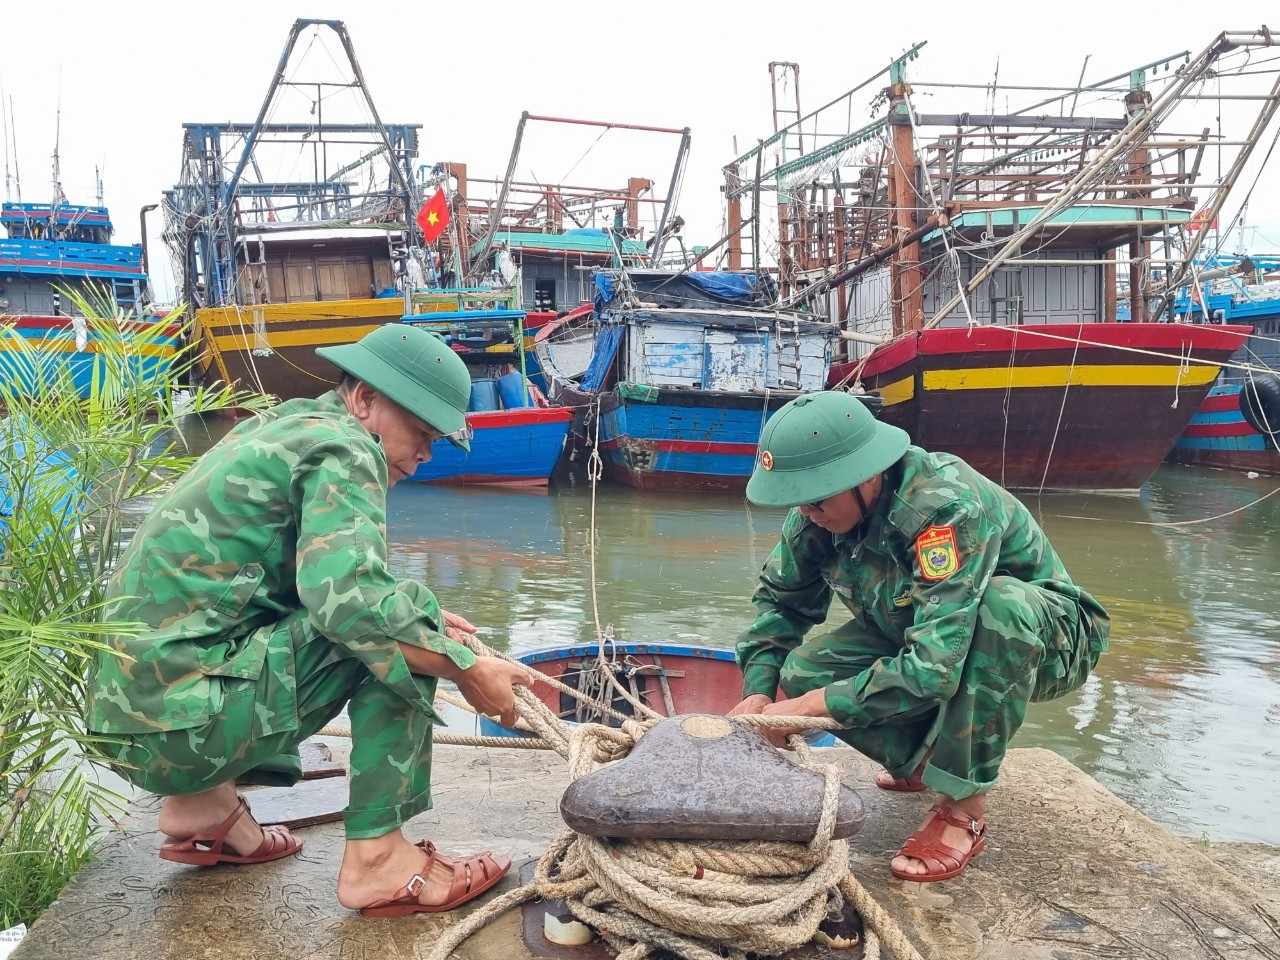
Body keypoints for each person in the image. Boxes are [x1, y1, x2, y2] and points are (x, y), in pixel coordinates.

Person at [87, 324, 532, 916]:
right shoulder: (348, 448)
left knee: (397, 611)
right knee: (406, 619)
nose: (424, 456)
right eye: (421, 433)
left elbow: (271, 586)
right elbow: (353, 606)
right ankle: (379, 862)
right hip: (182, 729)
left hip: (134, 723)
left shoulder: (285, 425)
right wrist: (468, 668)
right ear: (366, 400)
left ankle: (202, 809)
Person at [730, 391, 1109, 883]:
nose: (806, 514)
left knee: (1001, 607)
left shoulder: (942, 507)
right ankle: (925, 761)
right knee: (805, 672)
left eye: (817, 500)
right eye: (798, 502)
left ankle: (964, 807)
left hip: (1047, 639)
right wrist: (759, 692)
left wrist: (800, 712)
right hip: (924, 629)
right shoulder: (816, 516)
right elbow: (780, 604)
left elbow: (934, 665)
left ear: (865, 477)